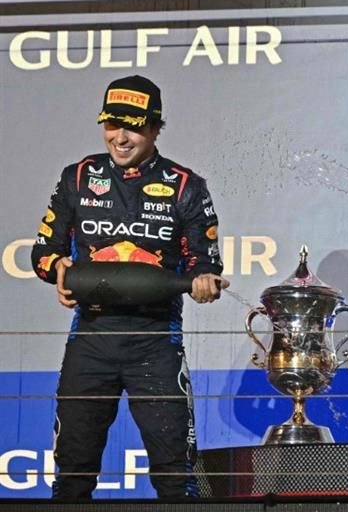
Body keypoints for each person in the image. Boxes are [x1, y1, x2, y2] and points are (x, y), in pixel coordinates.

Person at [31, 75, 229, 499]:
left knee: (176, 475)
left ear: (157, 128)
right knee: (73, 474)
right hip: (91, 338)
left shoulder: (186, 186)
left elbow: (205, 261)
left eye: (133, 126)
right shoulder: (78, 177)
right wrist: (58, 268)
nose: (120, 137)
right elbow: (43, 251)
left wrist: (203, 282)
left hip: (154, 341)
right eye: (111, 125)